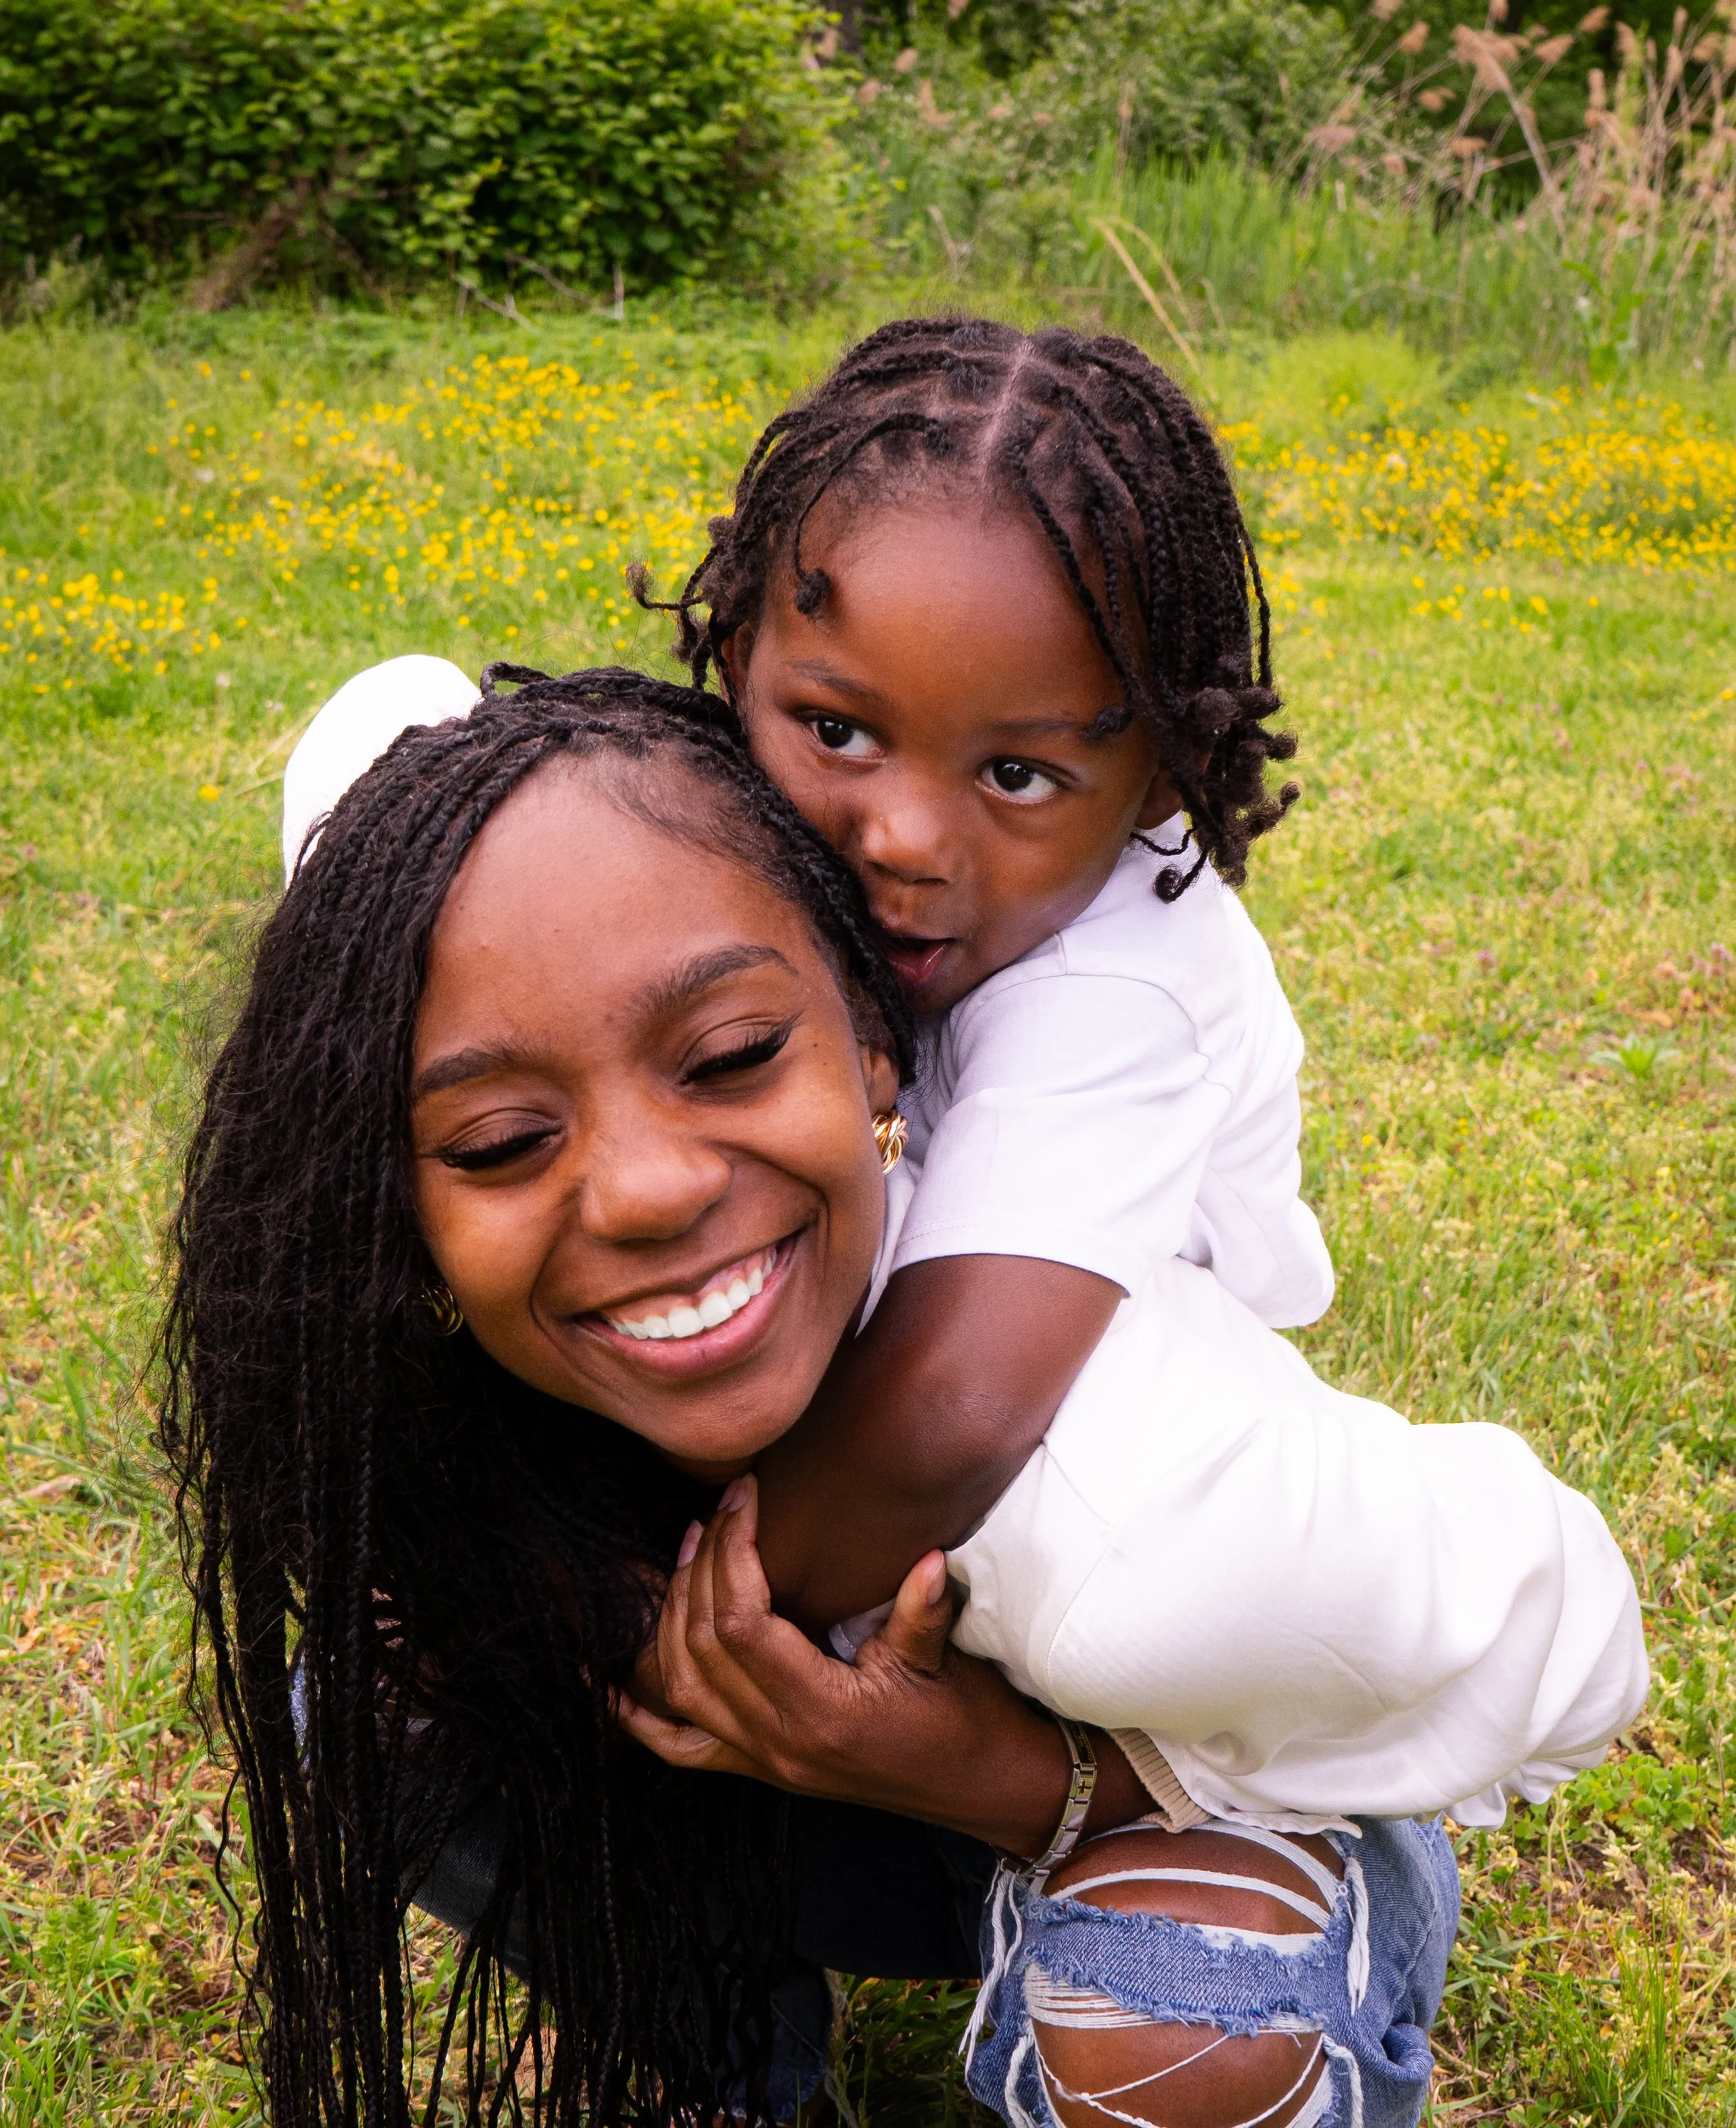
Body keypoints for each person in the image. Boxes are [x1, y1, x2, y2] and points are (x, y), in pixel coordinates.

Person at [224, 671, 1642, 2128]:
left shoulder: (1107, 1479)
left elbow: (1568, 1629)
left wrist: (986, 1773)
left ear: (876, 1040)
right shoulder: (446, 1376)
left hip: (1218, 1780)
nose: (647, 1190)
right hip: (842, 1787)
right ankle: (722, 2065)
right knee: (376, 1690)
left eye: (729, 1057)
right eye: (503, 1138)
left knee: (1181, 2013)